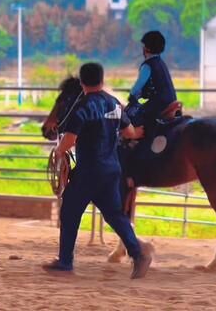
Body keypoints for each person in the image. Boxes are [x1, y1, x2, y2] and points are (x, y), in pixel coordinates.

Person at [42, 62, 152, 279]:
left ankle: (65, 262)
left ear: (82, 82)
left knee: (69, 212)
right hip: (111, 170)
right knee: (114, 215)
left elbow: (69, 140)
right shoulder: (114, 104)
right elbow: (129, 132)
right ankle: (138, 254)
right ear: (102, 80)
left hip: (88, 170)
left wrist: (58, 150)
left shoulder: (82, 107)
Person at [126, 30, 178, 129]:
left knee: (132, 116)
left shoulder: (147, 65)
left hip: (159, 104)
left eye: (144, 45)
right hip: (171, 100)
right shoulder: (161, 63)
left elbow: (137, 87)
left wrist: (132, 95)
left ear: (147, 48)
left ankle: (140, 141)